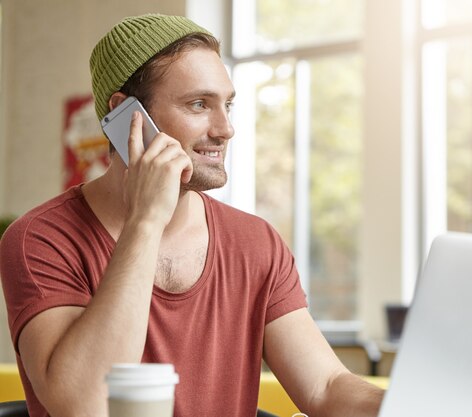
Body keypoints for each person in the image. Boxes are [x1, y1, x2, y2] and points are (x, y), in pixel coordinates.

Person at [0, 13, 384, 417]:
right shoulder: (39, 238)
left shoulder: (255, 243)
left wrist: (416, 403)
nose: (225, 129)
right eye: (199, 104)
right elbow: (87, 405)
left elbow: (324, 387)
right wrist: (146, 221)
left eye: (228, 105)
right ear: (127, 114)